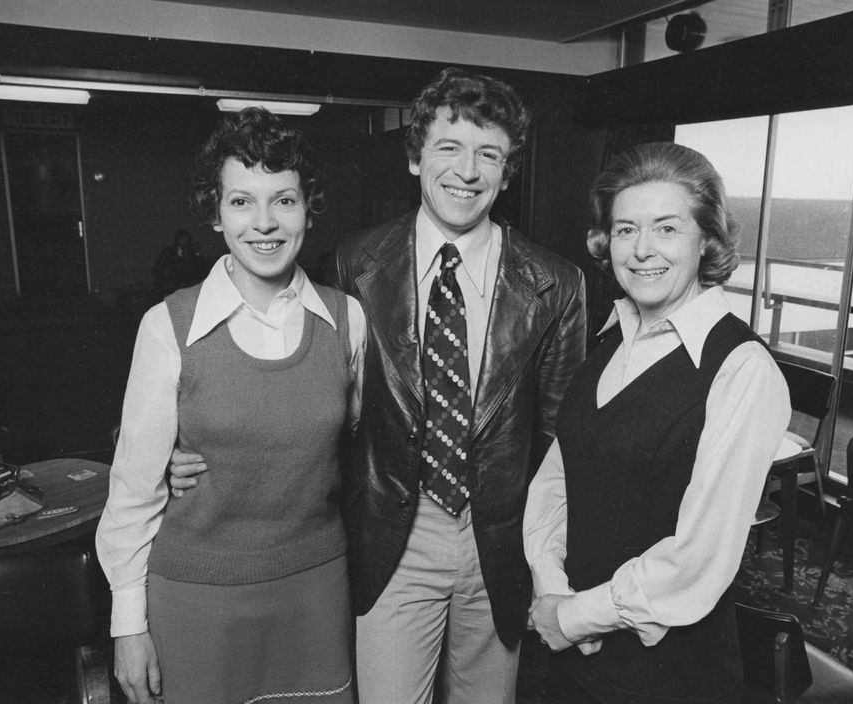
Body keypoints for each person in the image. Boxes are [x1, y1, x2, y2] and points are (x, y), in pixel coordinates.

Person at [171, 67, 587, 704]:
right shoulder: (352, 263)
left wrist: (553, 566)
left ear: (508, 172)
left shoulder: (557, 284)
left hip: (500, 545)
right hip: (391, 536)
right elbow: (298, 391)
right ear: (416, 157)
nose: (467, 172)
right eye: (449, 148)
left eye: (489, 155)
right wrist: (180, 450)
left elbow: (564, 446)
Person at [95, 107, 365, 704]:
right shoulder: (168, 325)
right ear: (215, 214)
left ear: (308, 209)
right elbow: (132, 493)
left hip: (316, 591)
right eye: (242, 201)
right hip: (195, 597)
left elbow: (354, 447)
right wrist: (127, 625)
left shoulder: (348, 320)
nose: (264, 222)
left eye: (285, 200)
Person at [524, 142, 791, 704]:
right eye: (625, 230)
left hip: (669, 680)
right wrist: (551, 589)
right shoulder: (611, 337)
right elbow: (556, 480)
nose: (642, 250)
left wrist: (575, 617)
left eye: (666, 229)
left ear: (706, 241)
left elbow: (701, 556)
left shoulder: (742, 369)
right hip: (576, 660)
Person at [151, 228, 208, 297]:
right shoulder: (167, 253)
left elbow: (202, 270)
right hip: (170, 290)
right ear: (177, 241)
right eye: (181, 239)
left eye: (187, 239)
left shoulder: (194, 253)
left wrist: (198, 253)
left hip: (188, 290)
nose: (184, 242)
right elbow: (157, 270)